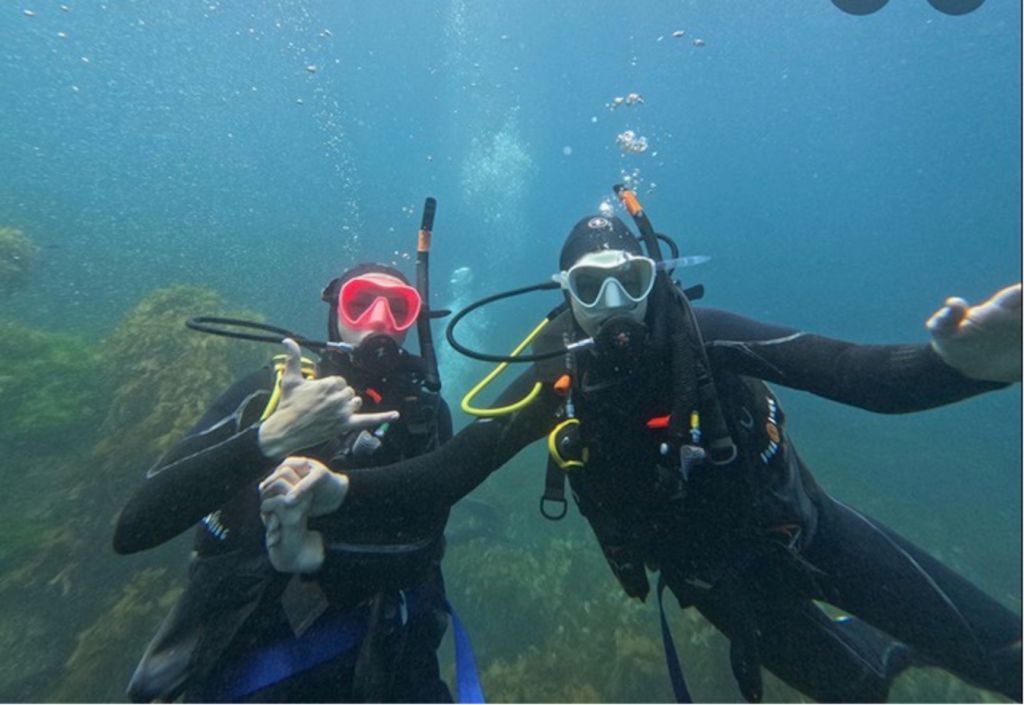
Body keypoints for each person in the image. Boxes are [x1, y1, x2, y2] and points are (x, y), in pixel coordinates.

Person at [282, 211, 1021, 703]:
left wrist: (962, 367)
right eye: (588, 285)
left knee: (1001, 653)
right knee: (859, 690)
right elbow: (453, 470)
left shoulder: (706, 334)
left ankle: (904, 633)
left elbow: (860, 375)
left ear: (654, 280)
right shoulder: (554, 374)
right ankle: (885, 647)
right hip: (718, 584)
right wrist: (337, 488)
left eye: (628, 280)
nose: (612, 303)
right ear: (564, 296)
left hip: (809, 529)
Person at [114, 263, 467, 704]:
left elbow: (424, 548)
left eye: (399, 308)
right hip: (247, 661)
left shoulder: (424, 416)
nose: (379, 319)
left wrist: (315, 554)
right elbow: (134, 526)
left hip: (390, 666)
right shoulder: (268, 393)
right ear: (334, 311)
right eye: (359, 302)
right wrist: (270, 437)